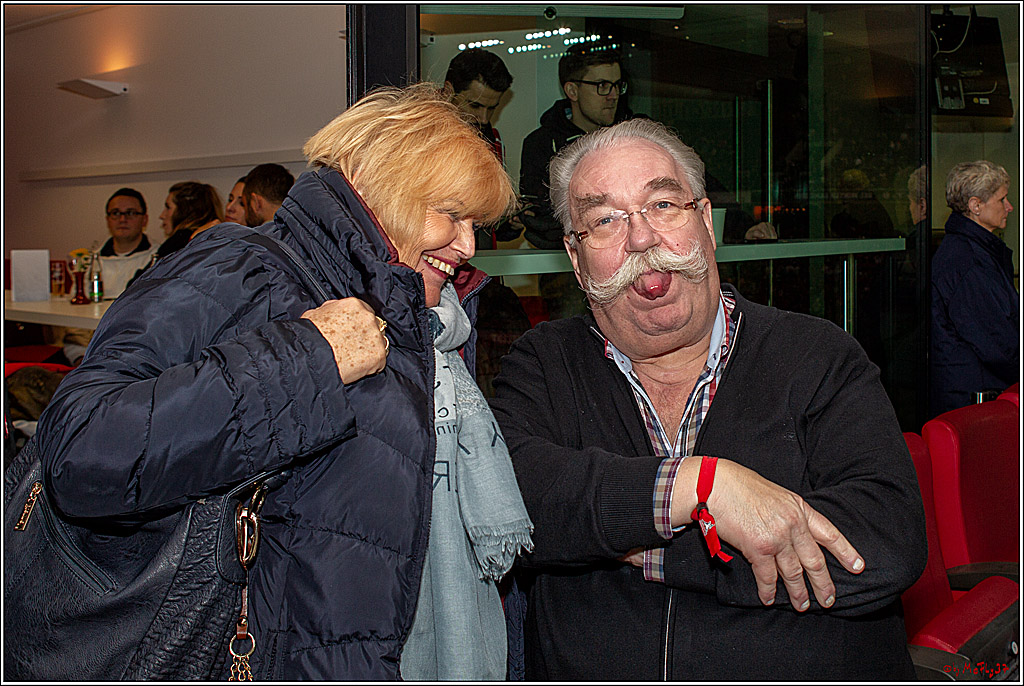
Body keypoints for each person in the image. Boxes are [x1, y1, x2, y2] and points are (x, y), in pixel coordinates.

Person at [35, 83, 531, 681]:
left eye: (475, 223)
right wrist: (309, 360)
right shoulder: (237, 265)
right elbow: (84, 447)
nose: (468, 244)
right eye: (450, 215)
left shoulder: (429, 320)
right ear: (382, 189)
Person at [490, 119, 927, 680]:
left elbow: (883, 540)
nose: (642, 239)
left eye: (664, 205)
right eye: (603, 221)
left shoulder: (819, 356)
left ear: (707, 224)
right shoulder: (544, 362)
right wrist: (703, 487)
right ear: (576, 261)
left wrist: (655, 549)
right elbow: (514, 504)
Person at [520, 42, 637, 320]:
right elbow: (540, 216)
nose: (612, 96)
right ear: (572, 90)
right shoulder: (540, 144)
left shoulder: (634, 135)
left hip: (632, 259)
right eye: (601, 86)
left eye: (617, 85)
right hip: (566, 273)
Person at [930, 160, 1018, 417]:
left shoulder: (978, 252)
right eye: (1002, 199)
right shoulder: (966, 261)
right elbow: (996, 341)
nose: (1009, 207)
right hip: (974, 400)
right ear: (975, 206)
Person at [444, 47, 521, 248]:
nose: (484, 118)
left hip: (480, 264)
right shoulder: (420, 136)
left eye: (492, 108)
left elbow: (489, 229)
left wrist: (509, 220)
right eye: (475, 106)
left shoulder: (491, 138)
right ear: (448, 91)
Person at [98, 188, 158, 297]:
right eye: (115, 213)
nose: (122, 219)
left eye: (130, 213)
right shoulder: (91, 262)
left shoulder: (158, 259)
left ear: (145, 219)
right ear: (107, 220)